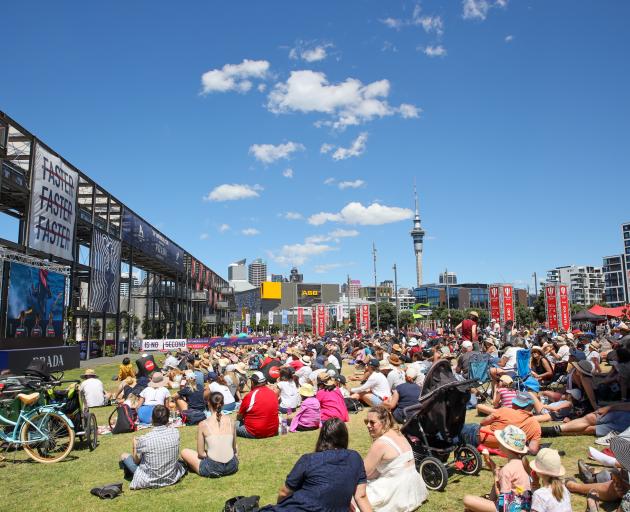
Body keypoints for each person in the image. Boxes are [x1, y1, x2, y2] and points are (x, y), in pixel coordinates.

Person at [260, 418, 373, 511]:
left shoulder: (309, 459)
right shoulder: (355, 458)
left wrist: (280, 507)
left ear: (322, 438)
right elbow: (361, 496)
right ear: (345, 438)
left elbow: (284, 492)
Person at [363, 406, 427, 511]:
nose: (368, 425)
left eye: (372, 422)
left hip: (396, 491)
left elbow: (363, 473)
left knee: (353, 495)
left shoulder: (380, 443)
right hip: (413, 488)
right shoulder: (398, 433)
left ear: (383, 423)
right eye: (366, 422)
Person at [463, 425, 531, 512]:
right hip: (525, 506)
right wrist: (493, 466)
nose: (498, 444)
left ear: (506, 446)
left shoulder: (506, 470)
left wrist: (495, 476)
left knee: (467, 500)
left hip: (513, 509)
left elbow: (504, 502)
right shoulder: (524, 463)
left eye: (500, 442)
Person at [119, 405, 186, 489]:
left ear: (152, 419)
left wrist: (135, 446)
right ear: (168, 418)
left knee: (124, 455)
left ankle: (129, 474)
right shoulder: (175, 432)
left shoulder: (144, 439)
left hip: (148, 480)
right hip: (171, 477)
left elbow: (136, 461)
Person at [461, 392, 541, 455]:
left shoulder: (505, 410)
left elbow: (483, 422)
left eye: (514, 403)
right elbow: (533, 450)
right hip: (500, 447)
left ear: (517, 404)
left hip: (479, 437)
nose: (512, 404)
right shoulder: (535, 425)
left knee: (459, 428)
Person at [180, 391, 238, 478]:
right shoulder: (231, 421)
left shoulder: (203, 424)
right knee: (236, 446)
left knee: (184, 452)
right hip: (232, 466)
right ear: (222, 404)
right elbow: (234, 449)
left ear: (208, 403)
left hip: (213, 468)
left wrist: (210, 454)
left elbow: (201, 454)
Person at [236, 371, 278, 438]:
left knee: (234, 424)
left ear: (252, 382)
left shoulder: (250, 395)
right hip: (273, 430)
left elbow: (239, 416)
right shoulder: (272, 393)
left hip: (255, 432)